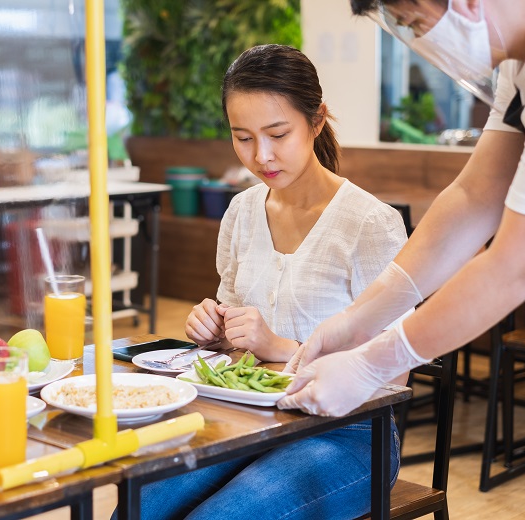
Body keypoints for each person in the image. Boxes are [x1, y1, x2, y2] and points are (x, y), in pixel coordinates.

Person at [140, 44, 408, 520]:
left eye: (277, 134)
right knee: (138, 505)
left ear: (317, 121)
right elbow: (233, 339)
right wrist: (218, 330)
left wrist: (280, 345)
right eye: (242, 137)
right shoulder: (242, 211)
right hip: (250, 417)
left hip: (347, 434)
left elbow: (394, 375)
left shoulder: (370, 223)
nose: (261, 155)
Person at [278, 0, 525, 418]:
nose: (416, 41)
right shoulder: (523, 63)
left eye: (413, 22)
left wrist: (373, 363)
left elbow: (519, 263)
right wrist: (358, 320)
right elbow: (474, 196)